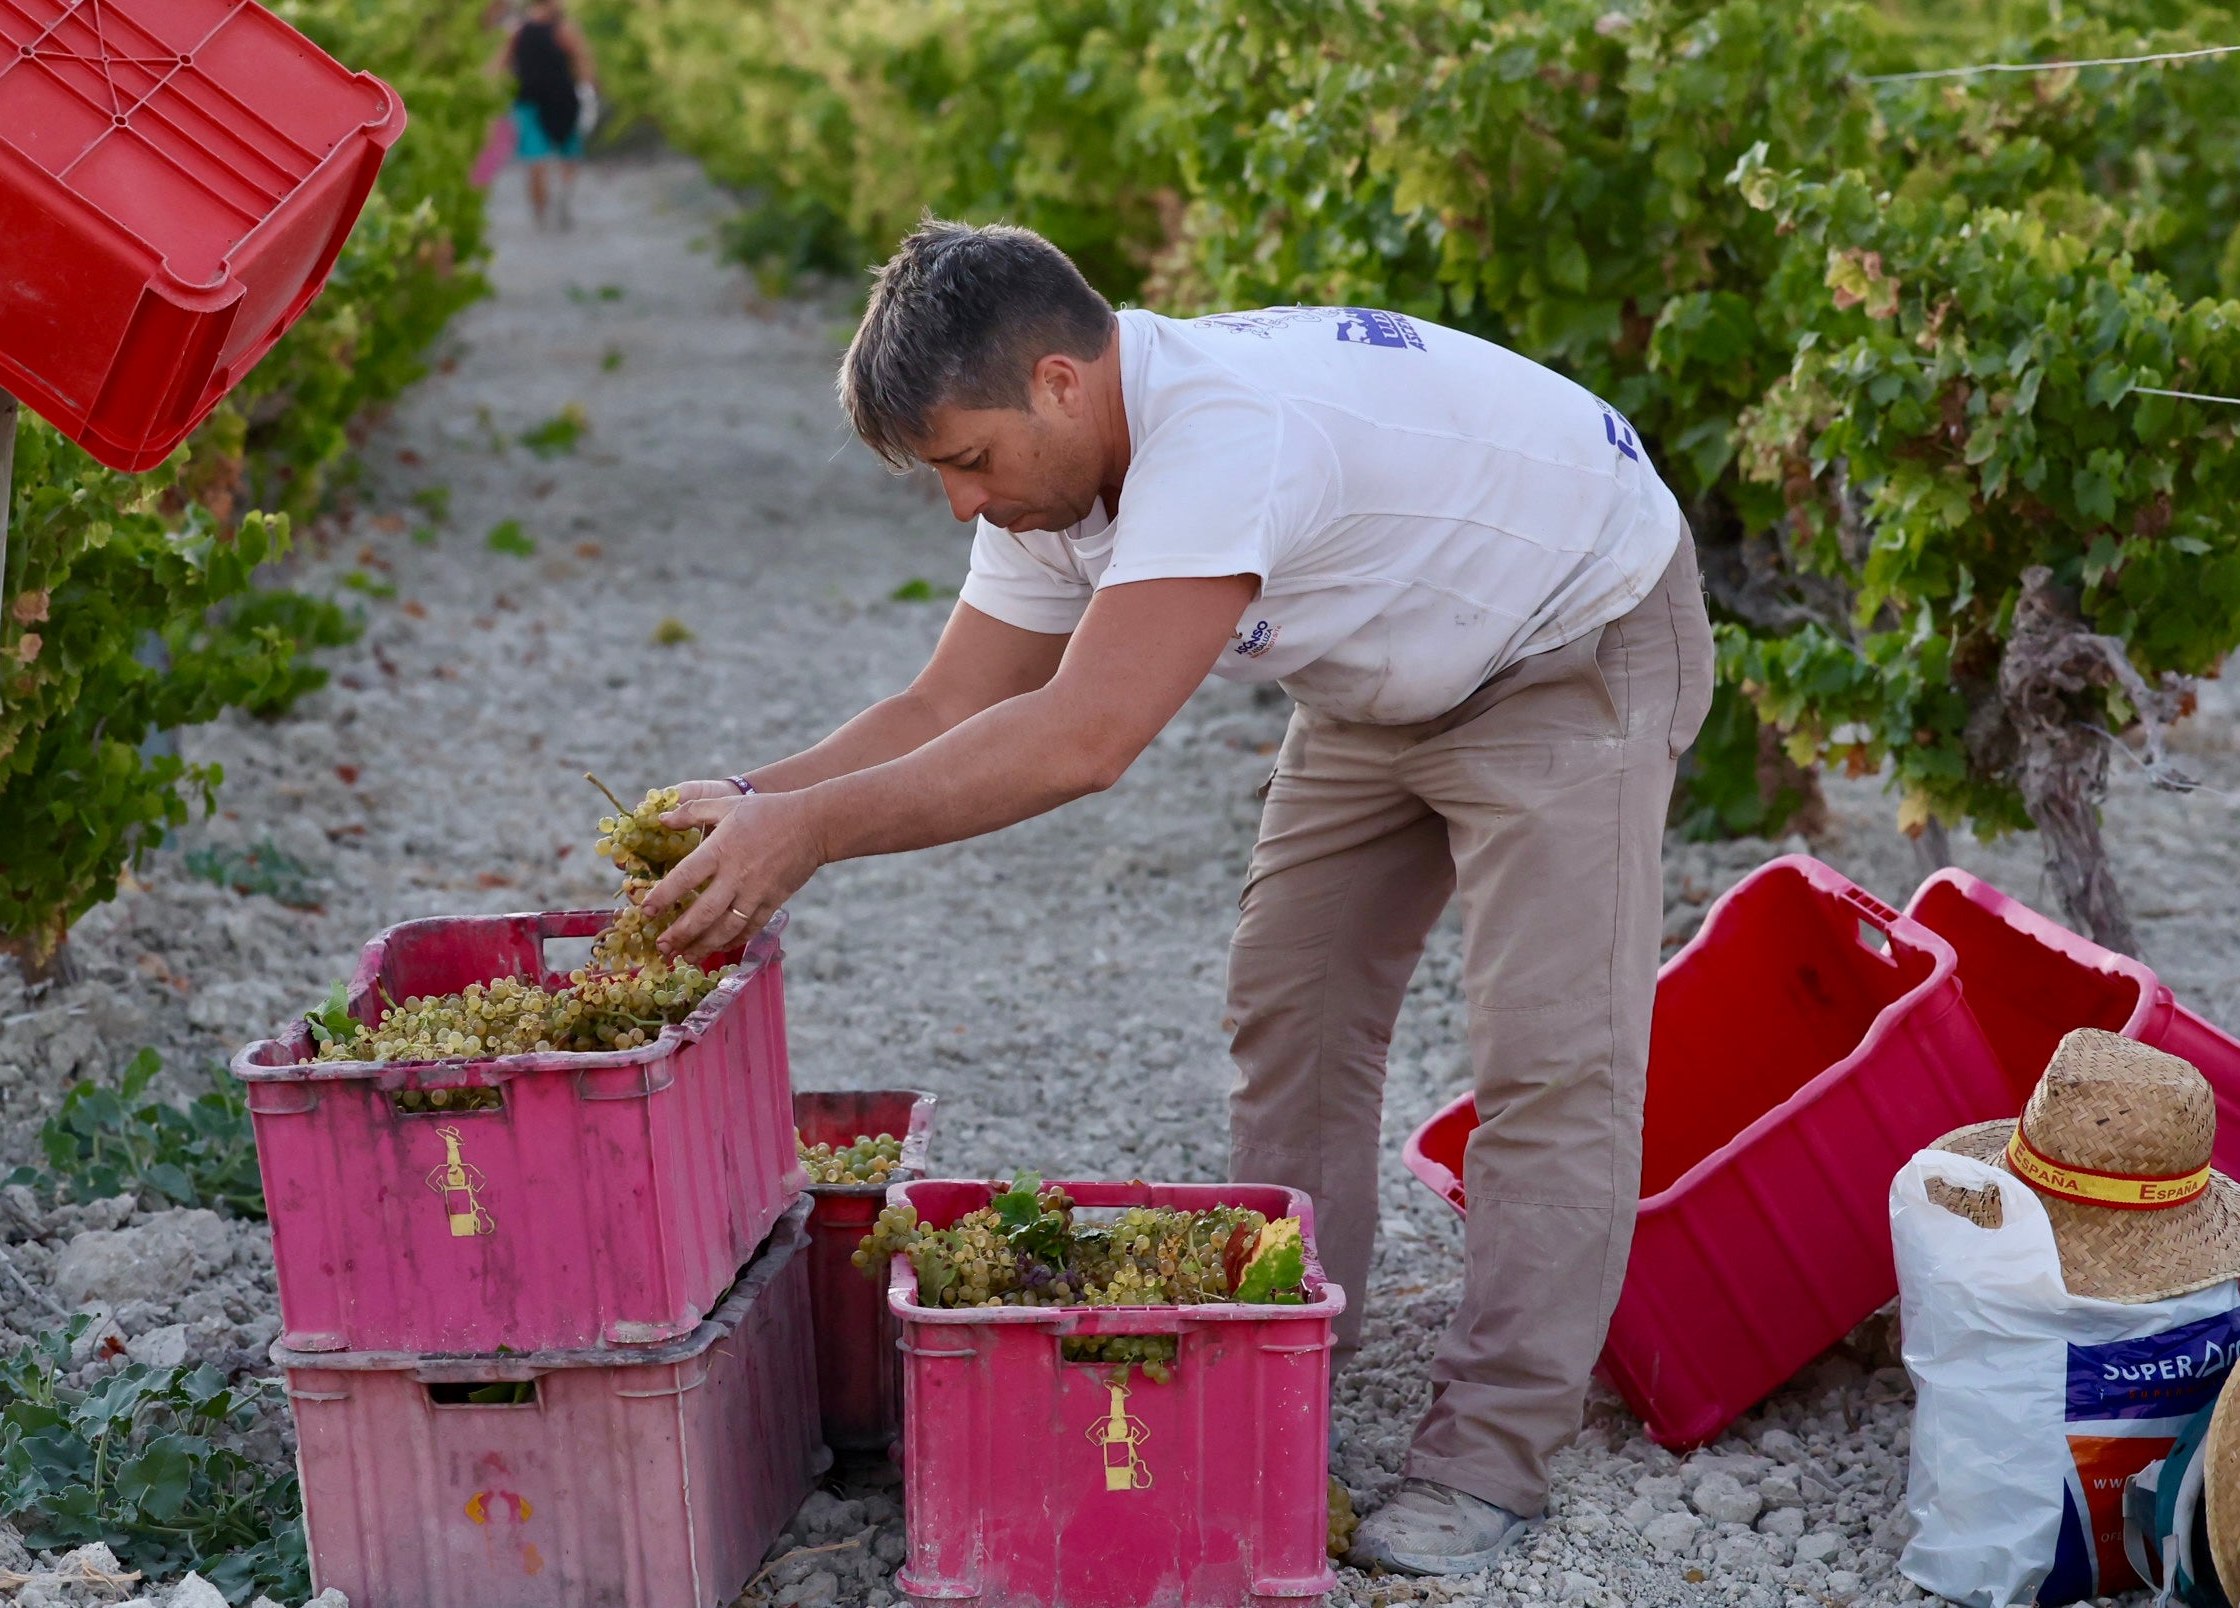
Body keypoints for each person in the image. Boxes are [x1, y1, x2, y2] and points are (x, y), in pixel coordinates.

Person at [642, 219, 1713, 1577]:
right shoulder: (1054, 480)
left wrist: (808, 838)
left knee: (1550, 1061)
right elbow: (950, 701)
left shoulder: (1222, 437)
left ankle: (1489, 1460)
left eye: (967, 463)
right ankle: (1286, 1363)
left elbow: (1085, 740)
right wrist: (752, 798)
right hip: (1385, 669)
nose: (963, 506)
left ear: (1060, 382)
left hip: (1575, 632)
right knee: (1292, 1003)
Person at [496, 0, 596, 229]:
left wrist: (586, 89)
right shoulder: (536, 29)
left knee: (556, 156)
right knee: (543, 159)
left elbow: (582, 60)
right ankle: (547, 207)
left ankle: (554, 204)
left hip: (554, 100)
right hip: (537, 101)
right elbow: (583, 59)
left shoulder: (537, 29)